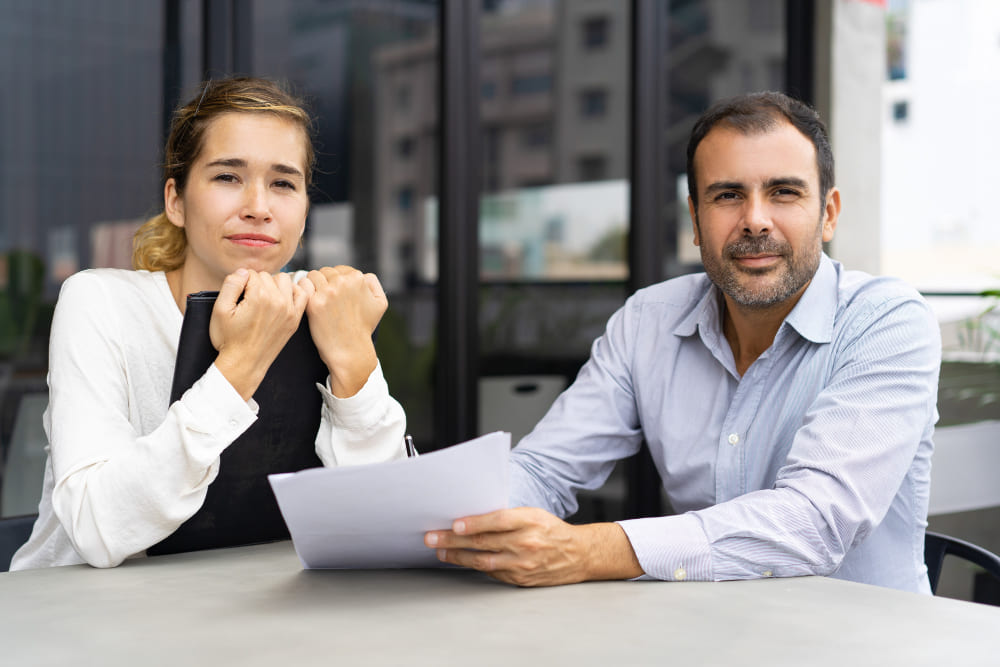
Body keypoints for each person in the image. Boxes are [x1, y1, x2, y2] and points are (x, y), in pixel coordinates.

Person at [425, 91, 941, 593]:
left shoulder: (887, 323)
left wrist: (587, 550)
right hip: (705, 633)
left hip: (862, 645)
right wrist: (467, 530)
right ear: (695, 220)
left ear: (828, 213)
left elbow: (816, 519)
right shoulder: (649, 321)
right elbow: (546, 468)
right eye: (728, 195)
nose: (755, 219)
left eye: (784, 192)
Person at [11, 77, 406, 570]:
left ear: (305, 210)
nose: (258, 208)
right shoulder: (101, 301)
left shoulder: (320, 306)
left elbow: (392, 523)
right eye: (227, 177)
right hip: (83, 618)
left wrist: (354, 364)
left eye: (283, 183)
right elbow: (98, 529)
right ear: (175, 200)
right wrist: (239, 365)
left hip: (251, 618)